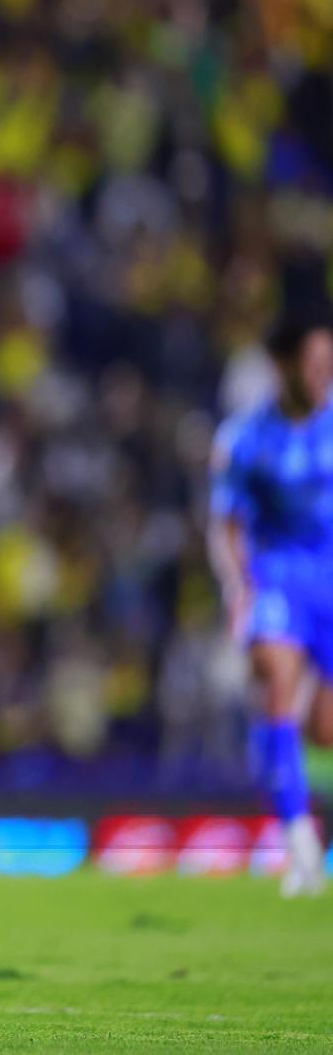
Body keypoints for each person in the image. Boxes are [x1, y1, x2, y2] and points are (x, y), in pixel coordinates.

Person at [209, 313, 333, 898]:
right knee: (275, 687)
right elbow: (227, 524)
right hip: (278, 575)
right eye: (314, 365)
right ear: (284, 366)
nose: (322, 376)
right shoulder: (245, 438)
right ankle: (300, 845)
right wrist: (240, 588)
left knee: (325, 727)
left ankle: (305, 819)